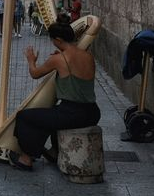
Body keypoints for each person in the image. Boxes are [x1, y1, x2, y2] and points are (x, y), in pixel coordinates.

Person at [9, 20, 101, 170]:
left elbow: (34, 74)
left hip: (72, 114)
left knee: (24, 117)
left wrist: (31, 60)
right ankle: (54, 151)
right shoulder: (88, 56)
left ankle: (26, 158)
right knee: (51, 114)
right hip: (92, 112)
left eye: (52, 40)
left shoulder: (58, 59)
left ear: (58, 40)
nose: (52, 42)